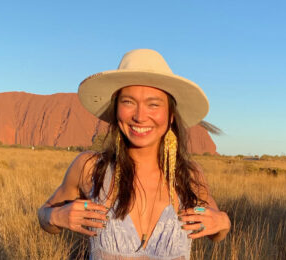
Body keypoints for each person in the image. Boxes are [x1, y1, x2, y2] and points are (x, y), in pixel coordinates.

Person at [38, 49, 231, 259]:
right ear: (116, 109)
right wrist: (56, 216)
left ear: (171, 115)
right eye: (128, 102)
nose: (139, 116)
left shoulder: (189, 175)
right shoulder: (90, 168)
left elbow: (218, 234)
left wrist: (224, 222)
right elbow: (45, 216)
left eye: (153, 104)